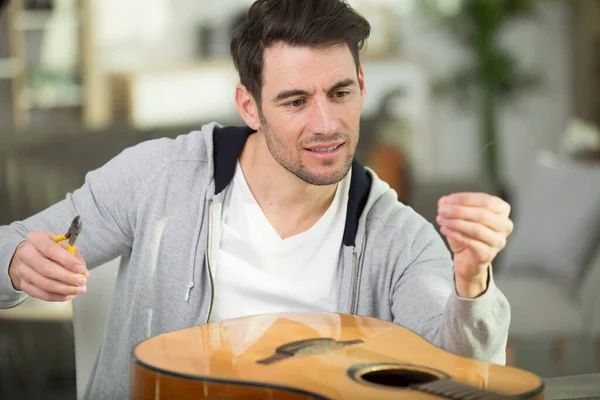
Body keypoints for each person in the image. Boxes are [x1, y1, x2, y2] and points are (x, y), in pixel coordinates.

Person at [0, 0, 514, 398]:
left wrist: (472, 285)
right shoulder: (156, 176)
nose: (326, 125)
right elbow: (12, 245)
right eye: (295, 101)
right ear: (249, 105)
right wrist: (17, 263)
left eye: (340, 93)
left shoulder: (397, 236)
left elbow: (463, 376)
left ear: (361, 84)